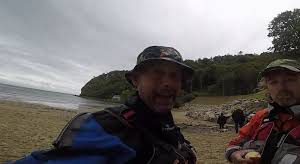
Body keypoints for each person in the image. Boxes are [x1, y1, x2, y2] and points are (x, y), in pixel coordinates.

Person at [12, 46, 197, 164]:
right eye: (157, 74)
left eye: (174, 76)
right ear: (135, 80)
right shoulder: (105, 127)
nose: (167, 83)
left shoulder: (167, 125)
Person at [225, 59, 300, 164]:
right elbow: (235, 143)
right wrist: (233, 154)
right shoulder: (262, 117)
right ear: (267, 87)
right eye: (273, 82)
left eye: (290, 80)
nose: (281, 88)